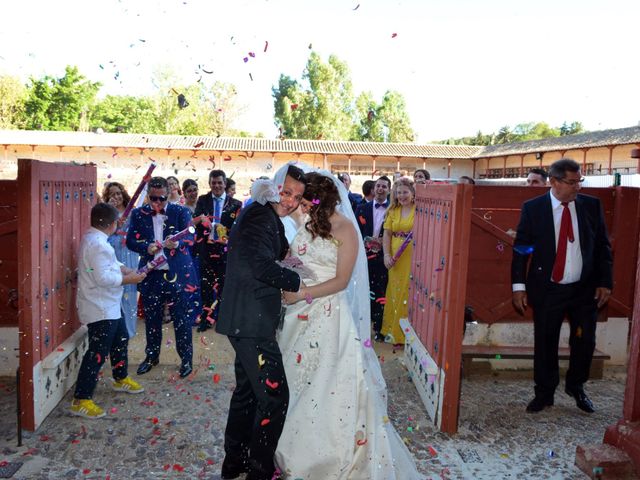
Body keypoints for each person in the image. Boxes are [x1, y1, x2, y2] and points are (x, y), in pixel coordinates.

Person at [275, 171, 422, 479]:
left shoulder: (345, 229)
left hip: (328, 315)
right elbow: (293, 256)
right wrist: (286, 274)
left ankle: (328, 455)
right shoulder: (306, 223)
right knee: (296, 380)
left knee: (326, 383)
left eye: (303, 200)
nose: (299, 205)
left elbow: (341, 280)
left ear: (320, 200)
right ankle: (292, 445)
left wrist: (304, 292)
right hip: (296, 315)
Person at [216, 164, 306, 480]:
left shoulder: (269, 217)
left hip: (248, 319)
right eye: (287, 192)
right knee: (274, 396)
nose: (291, 201)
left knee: (248, 392)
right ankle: (259, 469)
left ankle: (234, 463)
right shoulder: (257, 214)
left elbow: (278, 252)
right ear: (274, 187)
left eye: (297, 197)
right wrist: (302, 284)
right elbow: (260, 265)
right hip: (249, 322)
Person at [512, 158, 612, 414]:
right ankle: (544, 393)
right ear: (554, 182)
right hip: (548, 289)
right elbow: (522, 249)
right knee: (545, 342)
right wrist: (518, 287)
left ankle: (576, 386)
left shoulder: (591, 205)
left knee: (585, 340)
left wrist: (604, 281)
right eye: (571, 182)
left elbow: (603, 246)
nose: (577, 187)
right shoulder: (534, 208)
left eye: (580, 181)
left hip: (583, 289)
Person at [70, 203, 146, 419]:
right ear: (112, 224)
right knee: (97, 352)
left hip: (110, 306)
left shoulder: (95, 239)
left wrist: (123, 268)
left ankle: (120, 377)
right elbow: (102, 278)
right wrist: (129, 279)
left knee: (121, 338)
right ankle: (81, 399)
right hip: (100, 307)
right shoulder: (98, 245)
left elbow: (105, 265)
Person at [126, 176, 200, 379]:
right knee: (152, 319)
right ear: (148, 195)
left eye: (162, 198)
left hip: (178, 273)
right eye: (153, 198)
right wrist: (145, 246)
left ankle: (186, 360)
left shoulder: (180, 211)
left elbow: (191, 236)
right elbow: (131, 240)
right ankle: (151, 357)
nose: (157, 203)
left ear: (169, 194)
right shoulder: (138, 214)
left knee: (182, 320)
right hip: (151, 274)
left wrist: (178, 244)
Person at [194, 170, 242, 331]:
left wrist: (225, 232)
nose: (216, 185)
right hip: (206, 250)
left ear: (225, 183)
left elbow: (237, 228)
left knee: (224, 286)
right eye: (213, 182)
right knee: (206, 285)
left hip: (225, 251)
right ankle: (206, 319)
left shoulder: (236, 204)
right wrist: (204, 222)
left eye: (219, 182)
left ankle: (221, 319)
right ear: (209, 184)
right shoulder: (202, 200)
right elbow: (195, 221)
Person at [355, 175, 391, 341]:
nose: (380, 189)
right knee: (363, 291)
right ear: (373, 189)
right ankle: (362, 326)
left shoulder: (392, 209)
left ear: (389, 190)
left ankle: (379, 327)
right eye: (378, 186)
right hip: (364, 257)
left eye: (384, 186)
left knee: (381, 293)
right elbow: (355, 231)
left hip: (384, 258)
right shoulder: (362, 208)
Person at [381, 177, 416, 346]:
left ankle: (405, 334)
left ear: (412, 193)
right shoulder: (392, 211)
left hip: (412, 255)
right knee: (394, 292)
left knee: (407, 292)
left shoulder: (420, 210)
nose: (402, 196)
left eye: (405, 192)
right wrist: (386, 255)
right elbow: (387, 234)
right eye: (398, 192)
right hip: (395, 256)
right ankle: (393, 331)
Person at [102, 182, 140, 338]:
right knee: (115, 293)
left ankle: (129, 333)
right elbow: (103, 234)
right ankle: (115, 332)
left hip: (129, 253)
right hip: (114, 253)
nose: (116, 197)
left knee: (130, 295)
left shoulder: (133, 212)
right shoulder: (107, 213)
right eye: (112, 194)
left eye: (118, 193)